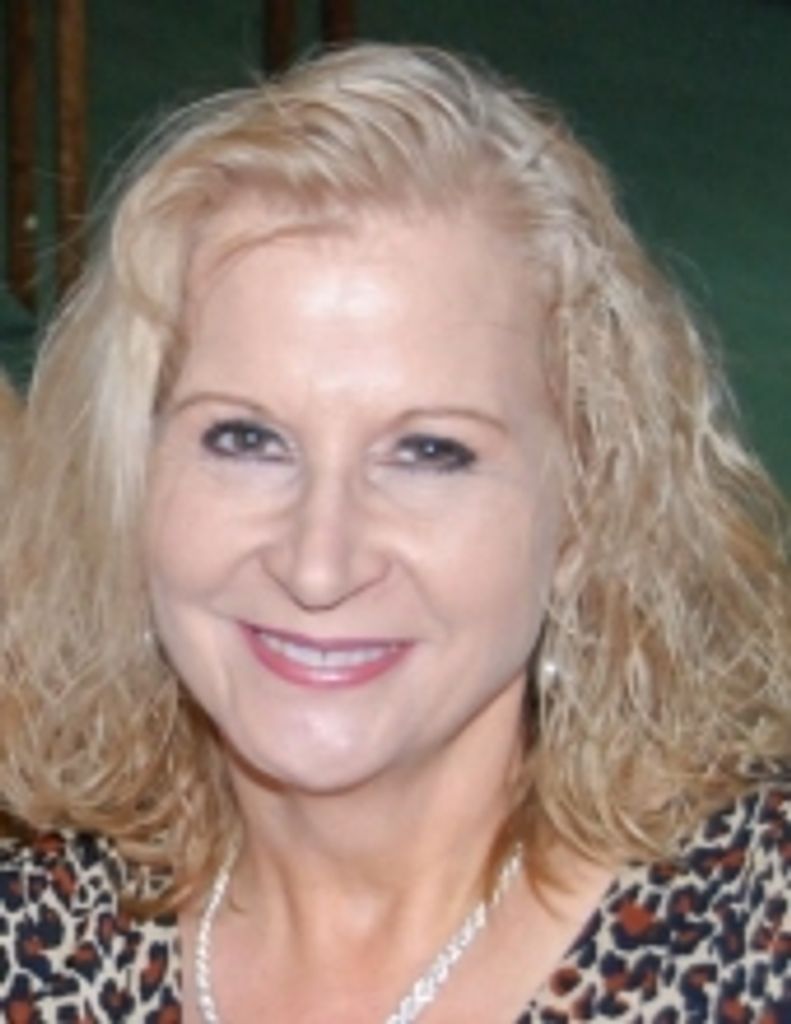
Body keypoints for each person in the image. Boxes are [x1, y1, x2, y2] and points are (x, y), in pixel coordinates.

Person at [0, 42, 788, 1023]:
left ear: (585, 504)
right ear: (132, 474)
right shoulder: (37, 929)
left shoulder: (753, 937)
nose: (317, 562)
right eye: (245, 438)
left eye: (427, 452)